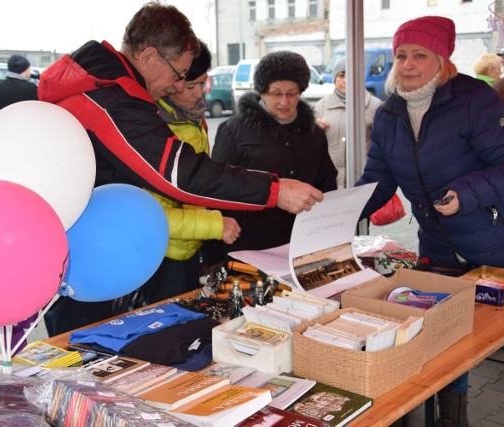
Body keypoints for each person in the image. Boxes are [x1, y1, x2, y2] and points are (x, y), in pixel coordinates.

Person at [37, 3, 323, 335]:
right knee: (89, 349)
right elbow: (178, 174)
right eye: (178, 74)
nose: (177, 86)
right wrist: (276, 191)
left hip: (96, 257)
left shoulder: (111, 90)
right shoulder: (110, 100)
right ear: (148, 58)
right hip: (84, 264)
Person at [355, 16, 504, 426]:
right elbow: (377, 180)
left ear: (442, 60)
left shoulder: (473, 99)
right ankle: (452, 418)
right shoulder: (390, 113)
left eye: (419, 55)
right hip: (441, 246)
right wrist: (331, 212)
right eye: (401, 56)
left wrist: (467, 193)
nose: (408, 65)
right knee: (447, 337)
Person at [138, 40, 241, 304]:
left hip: (188, 250)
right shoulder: (158, 130)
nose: (198, 94)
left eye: (202, 84)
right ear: (173, 81)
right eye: (191, 85)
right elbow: (153, 216)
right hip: (164, 258)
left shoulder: (191, 118)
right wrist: (214, 225)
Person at [210, 50, 338, 255]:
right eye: (276, 93)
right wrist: (213, 255)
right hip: (249, 248)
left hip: (302, 245)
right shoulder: (234, 130)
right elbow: (216, 188)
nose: (284, 102)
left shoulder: (315, 134)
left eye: (292, 93)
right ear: (262, 92)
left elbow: (327, 184)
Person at [314, 58, 383, 188]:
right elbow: (311, 146)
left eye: (351, 75)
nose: (346, 80)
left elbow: (383, 146)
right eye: (341, 75)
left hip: (364, 180)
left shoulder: (375, 106)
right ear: (335, 79)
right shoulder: (321, 106)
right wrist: (315, 130)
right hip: (330, 182)